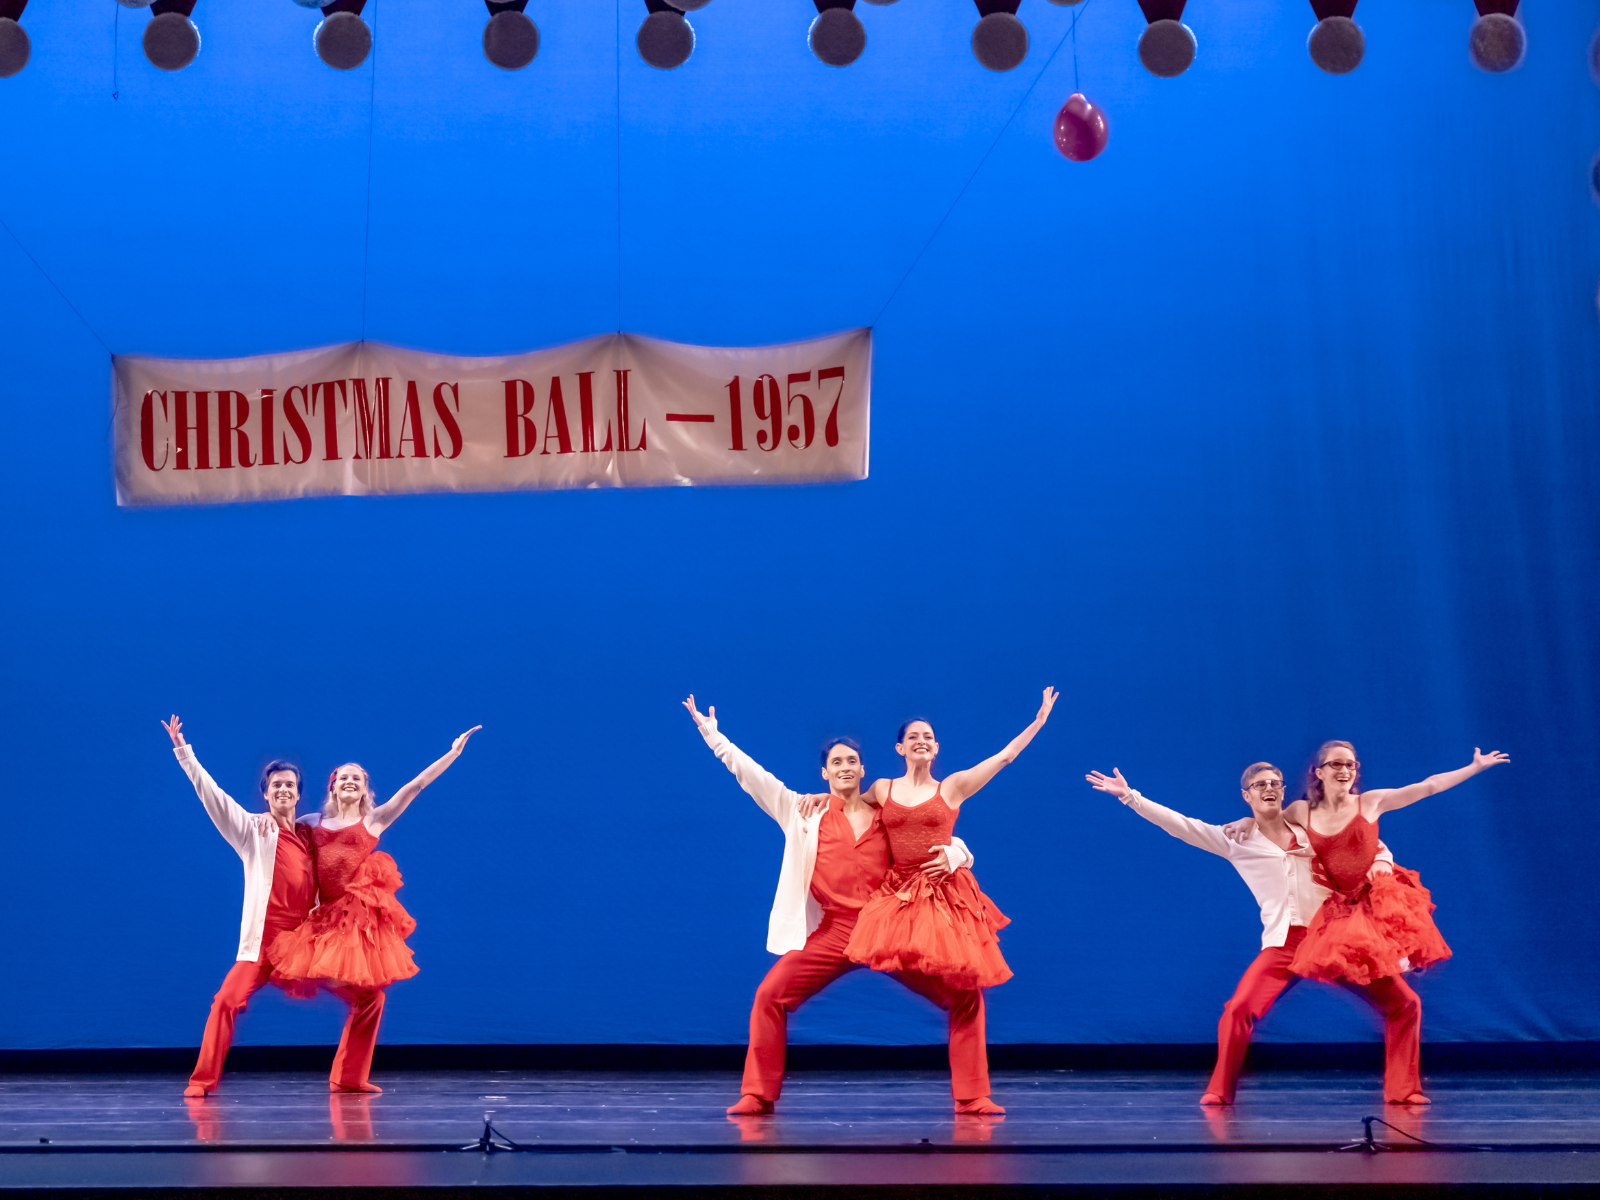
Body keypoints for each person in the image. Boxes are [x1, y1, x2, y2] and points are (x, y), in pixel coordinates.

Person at [684, 696, 996, 1116]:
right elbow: (751, 775)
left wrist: (960, 854)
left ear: (863, 770)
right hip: (834, 933)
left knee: (965, 995)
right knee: (769, 996)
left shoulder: (885, 811)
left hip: (889, 927)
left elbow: (935, 830)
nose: (845, 767)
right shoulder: (802, 812)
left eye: (852, 761)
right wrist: (713, 735)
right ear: (825, 772)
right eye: (837, 762)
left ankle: (973, 1096)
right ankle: (756, 1094)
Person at [1086, 761, 1421, 1106]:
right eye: (1260, 785)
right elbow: (1181, 826)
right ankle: (1219, 1091)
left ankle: (1404, 1089)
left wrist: (1383, 858)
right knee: (1239, 1009)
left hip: (1335, 938)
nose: (1270, 789)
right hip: (1285, 944)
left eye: (1275, 783)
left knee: (1405, 1004)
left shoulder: (1311, 828)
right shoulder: (1237, 839)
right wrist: (1130, 797)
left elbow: (1362, 842)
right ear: (1247, 795)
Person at [266, 725, 481, 1092]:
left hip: (354, 923)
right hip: (325, 921)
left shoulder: (374, 820)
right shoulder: (311, 824)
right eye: (343, 777)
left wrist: (452, 754)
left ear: (365, 789)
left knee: (372, 996)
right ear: (332, 786)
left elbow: (415, 787)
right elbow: (279, 826)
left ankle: (348, 1078)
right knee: (368, 996)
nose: (350, 781)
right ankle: (348, 1077)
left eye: (357, 778)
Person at [1276, 742, 1508, 1074]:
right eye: (1336, 764)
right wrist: (1243, 826)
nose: (1344, 770)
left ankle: (1404, 1087)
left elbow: (1427, 786)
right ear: (1319, 772)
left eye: (1351, 765)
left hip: (1375, 900)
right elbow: (1268, 826)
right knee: (1382, 989)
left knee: (1404, 994)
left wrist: (1473, 768)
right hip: (1340, 910)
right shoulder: (1301, 811)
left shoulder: (1370, 802)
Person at [164, 715, 362, 1098]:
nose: (283, 789)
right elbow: (214, 797)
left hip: (306, 946)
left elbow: (348, 828)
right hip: (261, 948)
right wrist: (184, 754)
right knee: (225, 1002)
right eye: (276, 785)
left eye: (289, 784)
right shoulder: (251, 830)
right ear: (267, 794)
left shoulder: (310, 834)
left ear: (298, 793)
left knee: (370, 997)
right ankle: (201, 1081)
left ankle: (349, 1078)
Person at [843, 690, 1056, 1032]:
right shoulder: (883, 788)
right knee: (903, 966)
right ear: (900, 748)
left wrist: (1038, 722)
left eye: (928, 737)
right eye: (913, 737)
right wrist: (813, 801)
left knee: (964, 988)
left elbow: (1004, 757)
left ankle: (971, 1076)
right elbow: (850, 807)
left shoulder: (952, 787)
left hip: (943, 893)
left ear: (936, 747)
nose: (921, 741)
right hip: (900, 891)